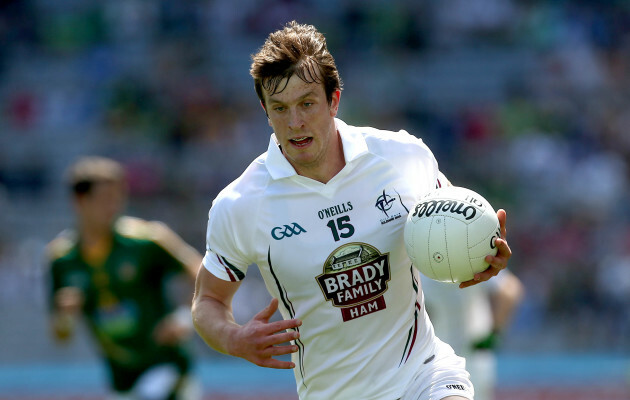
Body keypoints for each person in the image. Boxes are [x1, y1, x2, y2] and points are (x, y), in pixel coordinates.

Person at [192, 21, 512, 400]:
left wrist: (481, 253)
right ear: (265, 110)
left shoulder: (403, 156)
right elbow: (208, 301)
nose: (295, 123)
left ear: (334, 100)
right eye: (280, 108)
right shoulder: (240, 204)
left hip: (424, 374)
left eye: (307, 103)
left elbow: (451, 225)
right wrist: (233, 338)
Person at [47, 156, 202, 400]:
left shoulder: (147, 240)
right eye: (104, 199)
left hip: (166, 365)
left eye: (118, 197)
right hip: (121, 378)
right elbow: (61, 335)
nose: (114, 206)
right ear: (79, 201)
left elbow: (201, 271)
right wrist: (66, 317)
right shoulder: (62, 259)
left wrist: (184, 317)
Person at [421, 269, 524, 400]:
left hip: (436, 364)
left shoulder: (418, 269)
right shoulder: (472, 263)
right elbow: (509, 290)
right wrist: (494, 333)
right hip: (473, 359)